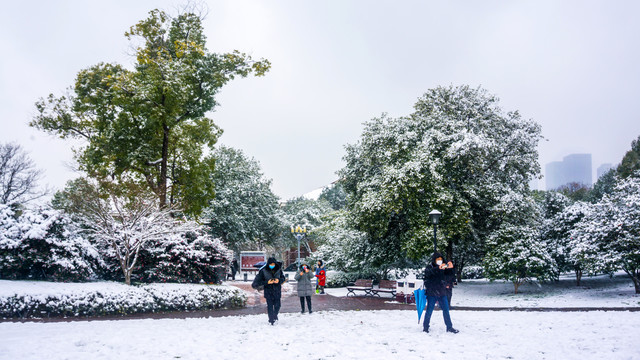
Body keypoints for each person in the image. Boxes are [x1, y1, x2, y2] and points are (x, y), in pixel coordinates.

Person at [423, 252, 459, 334]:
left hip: (442, 292)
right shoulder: (430, 267)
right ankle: (425, 327)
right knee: (429, 310)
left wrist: (451, 268)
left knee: (446, 310)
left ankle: (449, 327)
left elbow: (450, 276)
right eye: (438, 259)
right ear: (434, 260)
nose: (439, 261)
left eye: (441, 259)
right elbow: (428, 274)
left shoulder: (444, 268)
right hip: (432, 293)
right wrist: (438, 268)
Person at [252, 257, 286, 325]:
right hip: (268, 291)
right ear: (268, 264)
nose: (272, 265)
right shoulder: (263, 271)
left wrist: (279, 280)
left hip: (277, 291)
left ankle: (275, 315)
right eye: (271, 264)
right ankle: (271, 320)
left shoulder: (279, 270)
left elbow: (283, 278)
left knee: (278, 306)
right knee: (270, 306)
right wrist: (267, 282)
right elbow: (257, 283)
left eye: (273, 264)